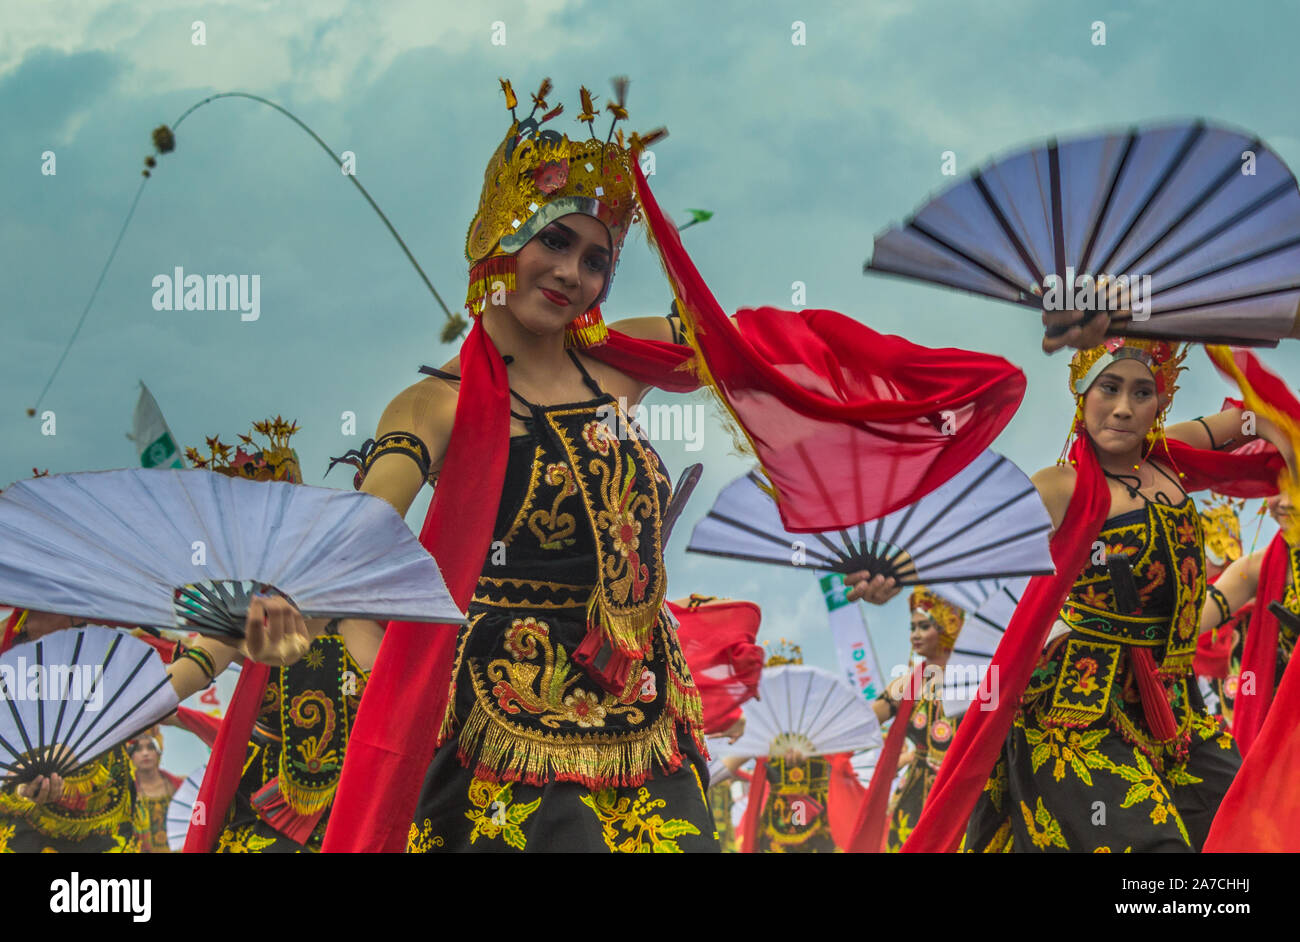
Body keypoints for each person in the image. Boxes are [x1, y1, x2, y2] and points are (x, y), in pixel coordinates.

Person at [850, 337, 1294, 851]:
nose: (1124, 407)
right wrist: (898, 572)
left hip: (1178, 707)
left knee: (1255, 826)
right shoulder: (1062, 487)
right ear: (1081, 393)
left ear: (1160, 402)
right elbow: (977, 543)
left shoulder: (1171, 458)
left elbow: (1247, 422)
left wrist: (1282, 433)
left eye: (1142, 392)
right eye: (1109, 388)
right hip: (1082, 713)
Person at [871, 588, 965, 851]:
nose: (914, 635)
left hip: (965, 792)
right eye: (912, 627)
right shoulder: (907, 684)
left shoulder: (978, 681)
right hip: (916, 798)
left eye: (924, 627)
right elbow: (863, 721)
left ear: (948, 626)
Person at [127, 729, 181, 853]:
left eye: (150, 747)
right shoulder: (126, 793)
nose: (145, 753)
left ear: (158, 753)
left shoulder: (178, 786)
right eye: (138, 749)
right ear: (131, 756)